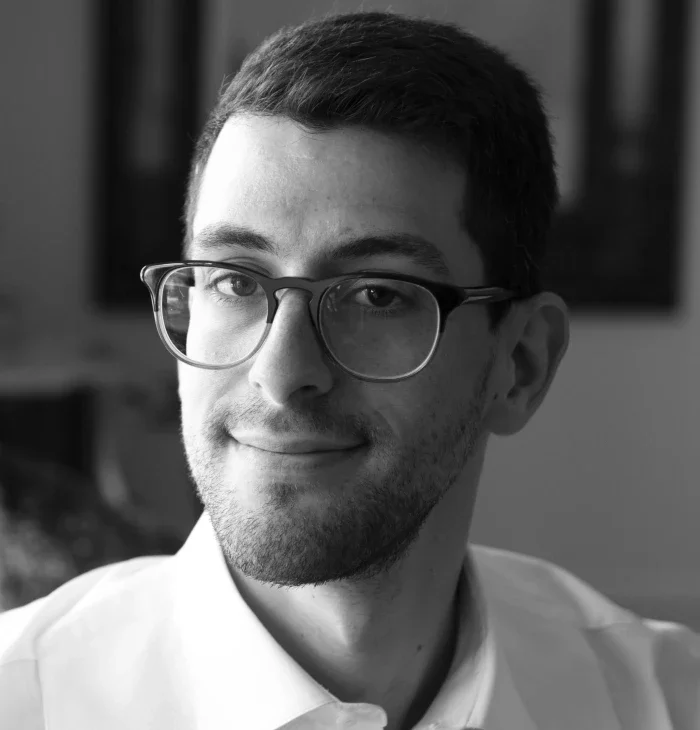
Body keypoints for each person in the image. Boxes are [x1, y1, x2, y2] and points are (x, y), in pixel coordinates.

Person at [1, 10, 698, 729]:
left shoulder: (666, 703)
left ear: (520, 364)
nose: (281, 374)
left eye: (377, 294)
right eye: (235, 281)